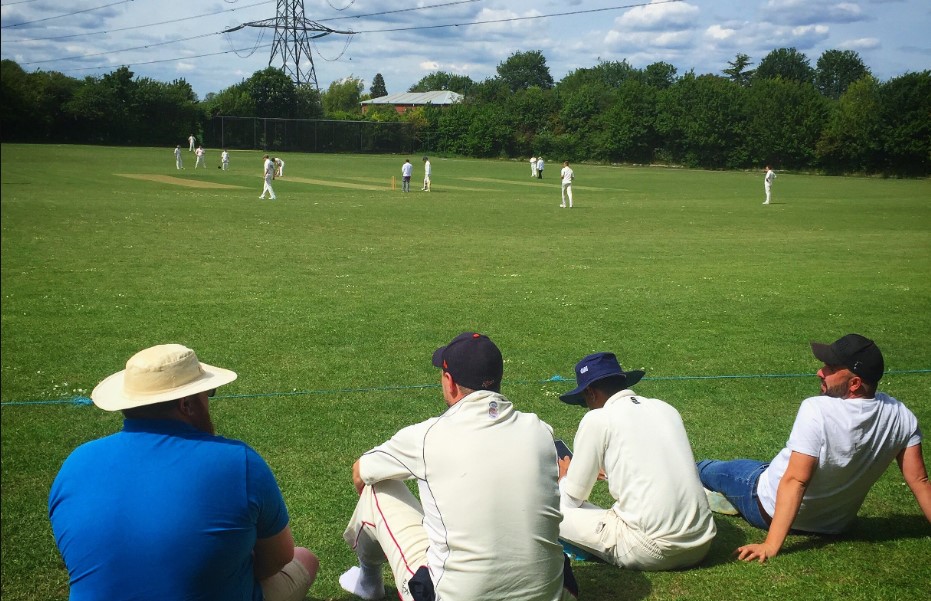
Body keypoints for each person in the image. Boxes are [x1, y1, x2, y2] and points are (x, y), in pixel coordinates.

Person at [48, 344, 319, 600]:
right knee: (305, 558)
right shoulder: (238, 461)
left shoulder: (75, 462)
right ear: (187, 405)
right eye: (208, 394)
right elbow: (279, 557)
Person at [340, 332, 578, 601]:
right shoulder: (540, 430)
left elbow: (360, 472)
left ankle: (368, 581)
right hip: (553, 595)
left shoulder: (426, 436)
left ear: (450, 382)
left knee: (376, 487)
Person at [699, 334, 931, 563]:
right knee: (765, 467)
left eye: (830, 367)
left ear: (855, 383)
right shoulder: (902, 416)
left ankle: (694, 482)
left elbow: (795, 481)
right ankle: (720, 497)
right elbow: (920, 482)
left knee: (710, 469)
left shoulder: (817, 409)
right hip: (836, 526)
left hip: (763, 503)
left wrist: (770, 545)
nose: (820, 372)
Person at [556, 352, 716, 571]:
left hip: (651, 550)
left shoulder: (598, 418)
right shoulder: (666, 408)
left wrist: (564, 477)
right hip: (702, 543)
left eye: (584, 401)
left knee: (547, 506)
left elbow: (572, 498)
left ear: (590, 393)